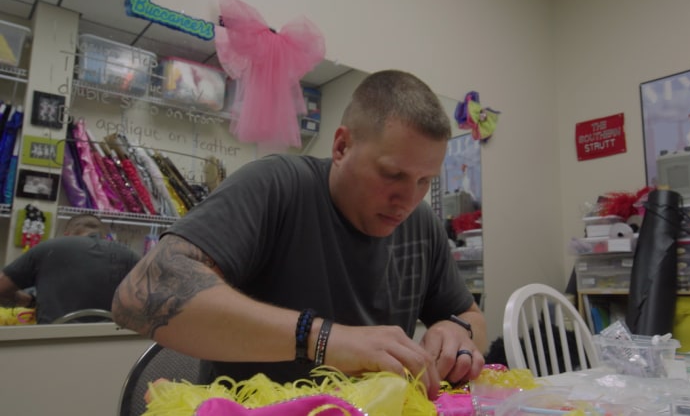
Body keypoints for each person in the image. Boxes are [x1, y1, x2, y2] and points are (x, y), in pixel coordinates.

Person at [112, 69, 488, 400]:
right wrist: (323, 340)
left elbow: (471, 315)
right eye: (392, 174)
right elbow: (141, 292)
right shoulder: (278, 186)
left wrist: (457, 334)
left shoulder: (420, 223)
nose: (408, 199)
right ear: (342, 146)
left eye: (425, 181)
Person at [0, 213, 142, 323]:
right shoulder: (128, 254)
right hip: (109, 340)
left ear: (67, 235)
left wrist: (27, 300)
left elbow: (2, 287)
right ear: (105, 237)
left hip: (51, 339)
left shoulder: (49, 247)